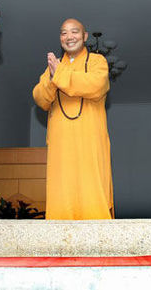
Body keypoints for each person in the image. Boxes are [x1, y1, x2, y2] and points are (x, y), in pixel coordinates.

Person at [33, 18, 114, 220]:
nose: (69, 37)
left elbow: (95, 85)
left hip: (90, 139)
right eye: (64, 33)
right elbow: (40, 98)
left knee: (92, 187)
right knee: (62, 188)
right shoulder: (53, 68)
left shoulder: (97, 61)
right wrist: (52, 80)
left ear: (85, 36)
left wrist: (60, 74)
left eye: (74, 32)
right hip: (61, 142)